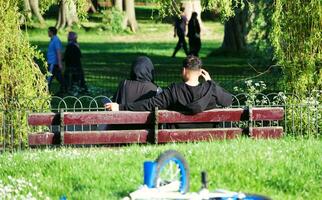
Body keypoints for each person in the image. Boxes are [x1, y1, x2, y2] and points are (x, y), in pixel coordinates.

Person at [105, 55, 232, 115]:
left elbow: (149, 104)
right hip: (207, 135)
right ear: (200, 72)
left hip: (177, 136)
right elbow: (228, 101)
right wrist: (211, 82)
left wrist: (121, 107)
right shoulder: (211, 89)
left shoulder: (173, 91)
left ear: (183, 70)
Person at [100, 56, 162, 130]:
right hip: (146, 133)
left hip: (122, 130)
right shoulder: (156, 90)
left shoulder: (124, 84)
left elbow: (114, 105)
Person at [47, 26, 65, 93]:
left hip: (53, 63)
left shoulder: (56, 40)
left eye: (48, 31)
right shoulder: (52, 40)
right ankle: (64, 88)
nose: (47, 33)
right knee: (59, 77)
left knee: (49, 78)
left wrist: (60, 63)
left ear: (51, 32)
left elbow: (58, 52)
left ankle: (46, 91)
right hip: (52, 63)